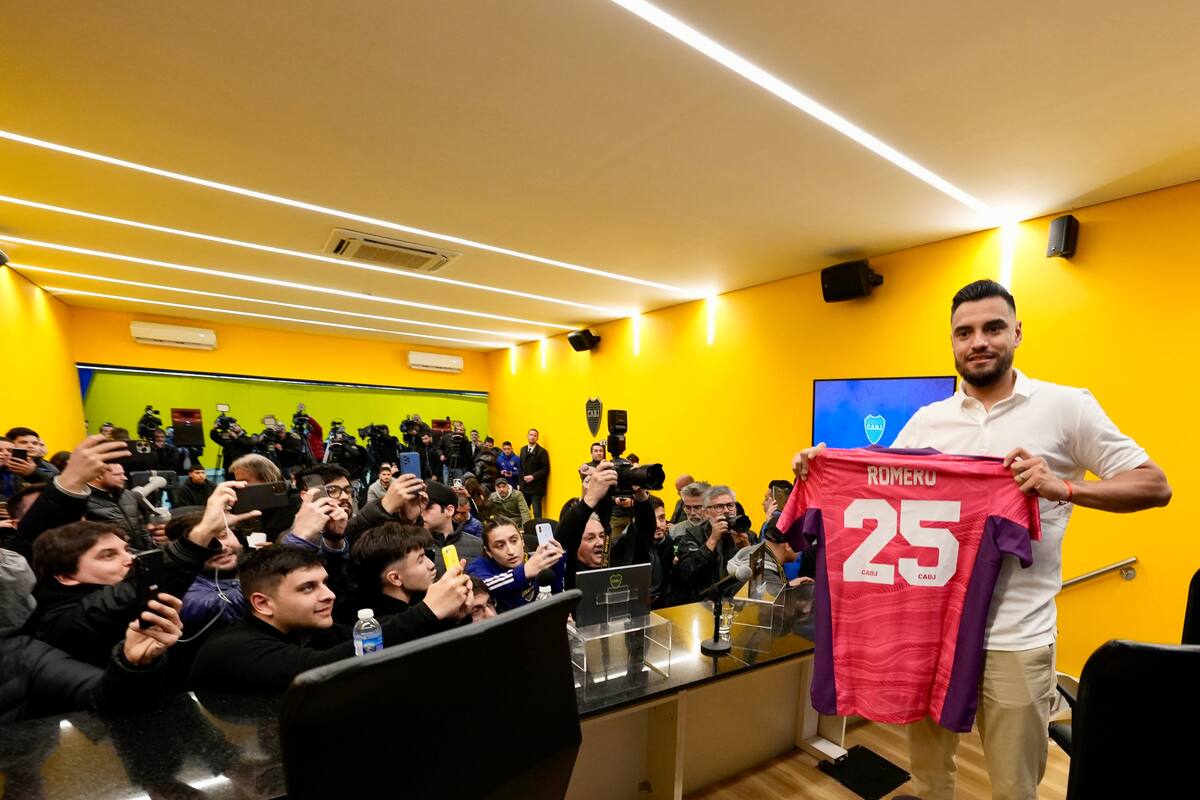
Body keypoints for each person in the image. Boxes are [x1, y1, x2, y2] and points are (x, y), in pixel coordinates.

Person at [792, 279, 1171, 800]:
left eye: (993, 328)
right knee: (929, 778)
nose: (979, 342)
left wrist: (1065, 488)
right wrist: (822, 467)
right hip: (930, 633)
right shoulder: (928, 421)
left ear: (1017, 332)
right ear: (952, 342)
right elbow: (881, 488)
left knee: (1015, 787)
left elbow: (1155, 485)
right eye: (964, 332)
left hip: (1017, 635)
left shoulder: (1066, 407)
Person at [24, 483, 251, 669]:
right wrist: (200, 535)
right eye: (108, 555)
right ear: (66, 576)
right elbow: (121, 597)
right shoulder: (61, 622)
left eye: (126, 549)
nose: (130, 559)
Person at [189, 544, 470, 693]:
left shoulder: (313, 631)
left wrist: (446, 616)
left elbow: (368, 634)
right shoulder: (232, 648)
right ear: (263, 603)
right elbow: (320, 669)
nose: (329, 595)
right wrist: (427, 611)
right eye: (308, 588)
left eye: (324, 583)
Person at [336, 522, 472, 628]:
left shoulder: (422, 603)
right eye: (420, 560)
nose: (431, 565)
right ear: (395, 578)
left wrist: (458, 615)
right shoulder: (384, 628)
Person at [466, 515, 565, 611]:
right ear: (488, 551)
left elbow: (559, 597)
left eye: (514, 541)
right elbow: (484, 586)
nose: (511, 551)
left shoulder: (537, 561)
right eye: (500, 546)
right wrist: (524, 572)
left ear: (522, 541)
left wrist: (558, 563)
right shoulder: (479, 566)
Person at [672, 485, 751, 605]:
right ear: (706, 512)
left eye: (730, 505)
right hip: (705, 603)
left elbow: (757, 573)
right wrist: (712, 540)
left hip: (739, 602)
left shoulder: (747, 534)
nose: (726, 510)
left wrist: (746, 547)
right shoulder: (693, 535)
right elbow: (688, 575)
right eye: (719, 506)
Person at [611, 494, 675, 607]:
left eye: (662, 518)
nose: (658, 525)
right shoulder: (624, 545)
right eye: (651, 520)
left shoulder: (668, 542)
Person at [84, 462, 155, 552]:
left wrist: (149, 551)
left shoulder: (129, 495)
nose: (124, 478)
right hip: (113, 555)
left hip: (141, 553)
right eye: (117, 474)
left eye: (123, 474)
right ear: (98, 477)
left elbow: (142, 528)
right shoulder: (83, 501)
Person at [421, 481, 483, 575]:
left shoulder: (477, 545)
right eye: (419, 507)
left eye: (427, 507)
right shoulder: (415, 546)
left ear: (449, 510)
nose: (421, 512)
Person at [520, 429, 550, 518]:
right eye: (531, 435)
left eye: (535, 435)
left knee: (537, 512)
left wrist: (533, 476)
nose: (532, 437)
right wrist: (520, 483)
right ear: (527, 436)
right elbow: (521, 467)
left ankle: (537, 526)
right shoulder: (523, 449)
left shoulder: (542, 452)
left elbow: (545, 469)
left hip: (536, 488)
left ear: (537, 438)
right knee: (524, 512)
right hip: (524, 487)